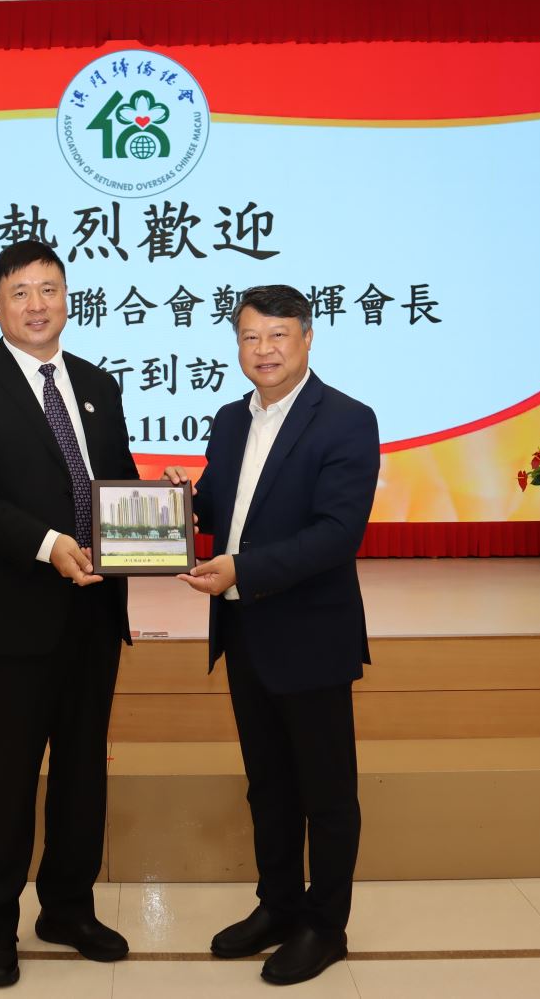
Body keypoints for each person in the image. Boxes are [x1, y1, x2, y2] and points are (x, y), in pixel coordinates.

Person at [0, 239, 138, 988]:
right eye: (21, 291)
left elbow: (118, 483)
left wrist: (159, 519)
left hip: (94, 614)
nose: (37, 303)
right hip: (13, 618)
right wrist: (48, 544)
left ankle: (68, 909)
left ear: (67, 298)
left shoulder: (98, 383)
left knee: (83, 772)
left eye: (49, 288)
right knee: (8, 779)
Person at [164, 284, 380, 986]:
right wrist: (179, 501)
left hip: (310, 634)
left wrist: (243, 569)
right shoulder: (231, 419)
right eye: (251, 337)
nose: (264, 350)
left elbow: (337, 533)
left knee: (326, 792)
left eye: (278, 335)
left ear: (308, 338)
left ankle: (326, 925)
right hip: (244, 629)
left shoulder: (346, 419)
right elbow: (222, 505)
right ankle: (278, 905)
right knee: (267, 785)